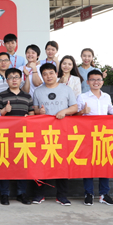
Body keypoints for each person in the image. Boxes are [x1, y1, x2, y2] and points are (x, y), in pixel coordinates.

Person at [77, 70, 113, 207]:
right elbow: (75, 116)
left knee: (104, 163)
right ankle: (88, 194)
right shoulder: (82, 97)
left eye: (98, 79)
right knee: (88, 165)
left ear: (102, 81)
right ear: (87, 82)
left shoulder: (106, 96)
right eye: (93, 79)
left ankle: (104, 194)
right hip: (88, 136)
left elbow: (111, 110)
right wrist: (82, 112)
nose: (96, 82)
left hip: (103, 135)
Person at [32, 63, 78, 206]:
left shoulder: (66, 89)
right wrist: (39, 112)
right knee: (42, 162)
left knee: (62, 163)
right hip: (43, 133)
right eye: (45, 74)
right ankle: (40, 194)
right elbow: (34, 110)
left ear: (56, 74)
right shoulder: (38, 91)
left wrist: (64, 111)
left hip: (62, 132)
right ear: (42, 76)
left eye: (51, 73)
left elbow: (75, 107)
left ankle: (62, 196)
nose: (48, 76)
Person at [0, 68, 34, 205]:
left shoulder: (27, 96)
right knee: (4, 164)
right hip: (5, 136)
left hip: (22, 136)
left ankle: (21, 193)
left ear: (21, 79)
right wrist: (4, 111)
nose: (14, 80)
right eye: (11, 77)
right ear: (6, 80)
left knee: (21, 164)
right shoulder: (1, 96)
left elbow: (32, 114)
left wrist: (29, 117)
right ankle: (4, 194)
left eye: (16, 77)